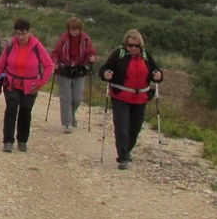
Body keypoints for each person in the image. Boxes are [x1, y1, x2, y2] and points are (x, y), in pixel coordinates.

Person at [99, 29, 163, 170]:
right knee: (121, 126)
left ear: (141, 45)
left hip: (140, 98)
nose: (133, 48)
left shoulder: (146, 56)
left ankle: (126, 150)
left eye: (136, 45)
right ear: (125, 44)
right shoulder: (118, 54)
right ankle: (122, 157)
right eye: (130, 45)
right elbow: (103, 69)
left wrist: (158, 75)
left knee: (135, 128)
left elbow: (155, 71)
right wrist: (106, 74)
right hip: (120, 96)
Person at [0, 18, 54, 153]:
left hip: (30, 85)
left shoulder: (37, 46)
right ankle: (8, 141)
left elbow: (49, 66)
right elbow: (0, 66)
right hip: (11, 83)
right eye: (18, 33)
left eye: (23, 33)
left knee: (25, 111)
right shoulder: (9, 46)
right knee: (11, 108)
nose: (20, 37)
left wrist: (40, 83)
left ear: (29, 32)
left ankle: (22, 140)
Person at [50, 16, 98, 134]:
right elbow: (55, 53)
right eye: (72, 29)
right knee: (66, 97)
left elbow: (91, 52)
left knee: (77, 98)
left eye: (76, 29)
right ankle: (67, 123)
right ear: (69, 29)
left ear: (80, 29)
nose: (74, 31)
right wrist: (54, 62)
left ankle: (71, 115)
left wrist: (92, 58)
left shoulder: (86, 39)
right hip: (64, 69)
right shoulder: (63, 39)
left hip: (79, 69)